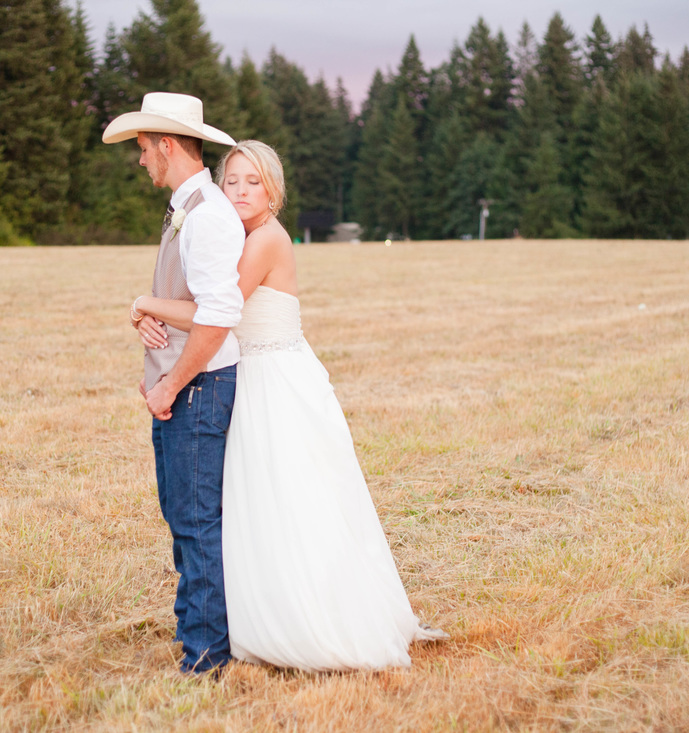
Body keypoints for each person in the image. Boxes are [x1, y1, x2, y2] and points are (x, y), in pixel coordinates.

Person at [131, 140, 446, 672]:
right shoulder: (240, 235)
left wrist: (142, 303)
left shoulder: (266, 242)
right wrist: (152, 313)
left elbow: (215, 310)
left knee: (294, 499)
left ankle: (313, 620)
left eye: (253, 182)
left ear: (273, 189)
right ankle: (254, 614)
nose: (241, 191)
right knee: (256, 503)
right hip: (250, 375)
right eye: (232, 181)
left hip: (275, 380)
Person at [102, 92, 246, 674]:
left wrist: (169, 387)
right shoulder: (190, 207)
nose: (140, 161)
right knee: (182, 515)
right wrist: (148, 309)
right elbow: (190, 303)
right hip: (186, 387)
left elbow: (218, 316)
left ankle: (207, 655)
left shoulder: (207, 215)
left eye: (142, 149)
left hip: (199, 388)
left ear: (166, 145)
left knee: (196, 520)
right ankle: (197, 629)